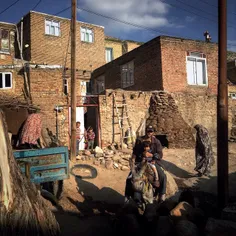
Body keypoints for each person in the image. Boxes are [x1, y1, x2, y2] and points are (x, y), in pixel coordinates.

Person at [125, 125, 166, 203]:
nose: (149, 133)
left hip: (152, 161)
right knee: (129, 178)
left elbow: (160, 154)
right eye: (148, 131)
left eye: (151, 131)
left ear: (153, 132)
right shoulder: (139, 140)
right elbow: (135, 152)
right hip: (140, 162)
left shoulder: (156, 142)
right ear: (146, 131)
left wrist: (153, 156)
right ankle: (127, 196)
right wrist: (133, 160)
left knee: (163, 176)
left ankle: (162, 195)